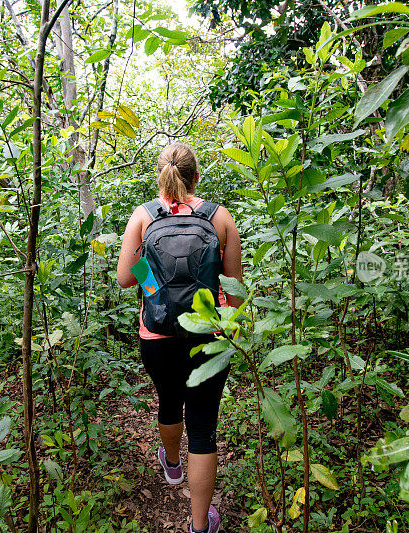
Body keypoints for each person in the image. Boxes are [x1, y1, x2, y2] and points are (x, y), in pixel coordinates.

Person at [116, 143, 243, 533]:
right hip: (208, 335)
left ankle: (172, 465)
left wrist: (157, 290)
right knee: (203, 428)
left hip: (156, 333)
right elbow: (234, 293)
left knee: (168, 402)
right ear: (197, 177)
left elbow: (124, 278)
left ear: (161, 176)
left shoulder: (143, 216)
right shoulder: (220, 218)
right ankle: (200, 526)